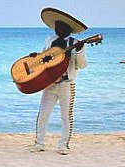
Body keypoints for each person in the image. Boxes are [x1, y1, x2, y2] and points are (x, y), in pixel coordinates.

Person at [30, 7, 88, 155]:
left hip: (67, 84)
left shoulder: (76, 43)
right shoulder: (50, 40)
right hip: (49, 83)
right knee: (43, 114)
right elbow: (45, 59)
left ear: (67, 28)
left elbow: (82, 65)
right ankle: (39, 143)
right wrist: (36, 56)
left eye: (60, 26)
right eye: (56, 25)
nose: (56, 28)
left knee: (66, 116)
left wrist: (79, 51)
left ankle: (64, 145)